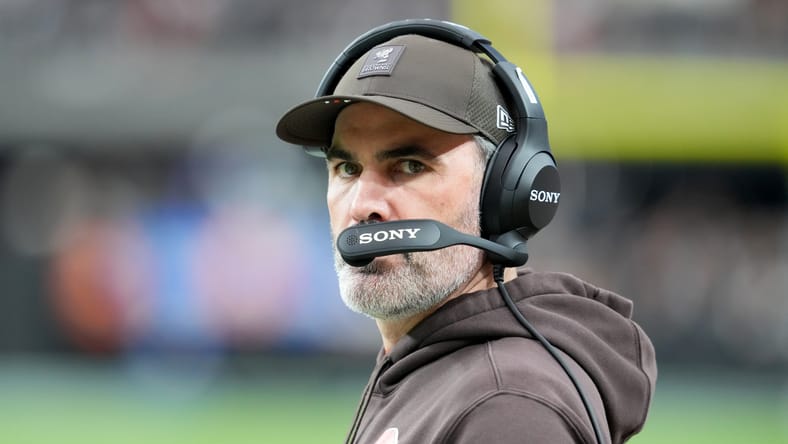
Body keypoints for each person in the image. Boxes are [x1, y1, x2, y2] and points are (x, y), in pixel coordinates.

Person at [275, 20, 657, 444]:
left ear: (505, 192)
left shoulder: (508, 408)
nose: (362, 205)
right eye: (347, 168)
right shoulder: (426, 369)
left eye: (410, 166)